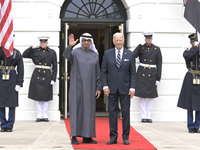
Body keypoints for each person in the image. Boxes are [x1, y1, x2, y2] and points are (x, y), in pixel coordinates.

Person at [63, 33, 101, 145]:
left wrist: (98, 87)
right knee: (76, 110)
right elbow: (66, 56)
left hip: (90, 88)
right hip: (77, 86)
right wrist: (70, 46)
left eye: (88, 41)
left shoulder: (95, 55)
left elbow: (97, 72)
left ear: (91, 42)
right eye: (84, 40)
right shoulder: (75, 52)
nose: (86, 42)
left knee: (89, 112)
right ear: (81, 41)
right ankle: (74, 136)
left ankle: (87, 136)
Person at [101, 32, 136, 145]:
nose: (118, 42)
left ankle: (125, 137)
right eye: (116, 40)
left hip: (125, 89)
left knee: (125, 113)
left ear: (124, 41)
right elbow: (103, 72)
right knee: (112, 113)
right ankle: (113, 136)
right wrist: (105, 86)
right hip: (111, 89)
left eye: (120, 40)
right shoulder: (107, 54)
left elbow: (133, 73)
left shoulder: (130, 54)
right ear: (113, 41)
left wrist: (132, 88)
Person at [22, 37, 57, 122]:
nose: (43, 44)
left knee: (45, 96)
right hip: (37, 73)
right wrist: (31, 47)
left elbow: (55, 66)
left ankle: (45, 115)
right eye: (41, 42)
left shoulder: (52, 52)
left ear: (47, 43)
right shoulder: (35, 51)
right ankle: (39, 115)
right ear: (40, 43)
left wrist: (53, 78)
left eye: (44, 42)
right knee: (38, 96)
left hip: (47, 74)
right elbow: (24, 55)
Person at [134, 32, 162, 123]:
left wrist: (158, 78)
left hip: (152, 73)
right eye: (147, 38)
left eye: (150, 38)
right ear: (145, 39)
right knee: (142, 96)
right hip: (142, 73)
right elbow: (133, 56)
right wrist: (137, 48)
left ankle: (149, 116)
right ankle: (143, 116)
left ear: (152, 39)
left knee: (150, 96)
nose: (148, 40)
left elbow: (159, 64)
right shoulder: (141, 48)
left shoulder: (156, 49)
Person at [177, 33, 200, 133]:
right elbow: (188, 56)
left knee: (199, 104)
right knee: (189, 103)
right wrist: (196, 48)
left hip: (199, 76)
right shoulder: (188, 51)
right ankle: (190, 126)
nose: (194, 43)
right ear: (191, 42)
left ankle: (197, 125)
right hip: (191, 76)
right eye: (193, 41)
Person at [0, 47, 24, 132]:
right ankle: (3, 124)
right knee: (1, 104)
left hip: (12, 79)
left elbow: (20, 69)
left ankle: (10, 125)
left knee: (12, 103)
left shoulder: (16, 53)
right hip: (1, 78)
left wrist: (19, 83)